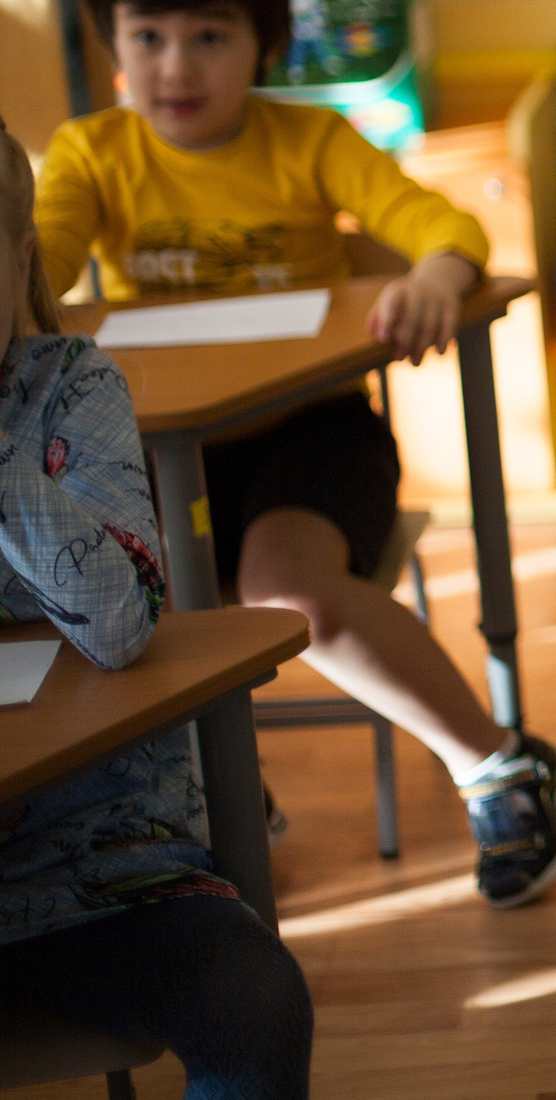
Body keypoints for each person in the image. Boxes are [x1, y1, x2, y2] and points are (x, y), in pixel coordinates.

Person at [34, 0, 556, 907]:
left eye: (210, 36)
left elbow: (442, 225)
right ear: (113, 40)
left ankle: (500, 763)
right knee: (90, 596)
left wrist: (432, 278)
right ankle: (215, 795)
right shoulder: (91, 155)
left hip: (313, 437)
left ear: (265, 44)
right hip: (158, 453)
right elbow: (44, 266)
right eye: (147, 36)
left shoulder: (307, 143)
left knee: (286, 592)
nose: (176, 67)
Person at [0, 116, 315, 1096]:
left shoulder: (70, 391)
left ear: (20, 260)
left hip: (105, 875)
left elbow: (123, 624)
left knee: (254, 1002)